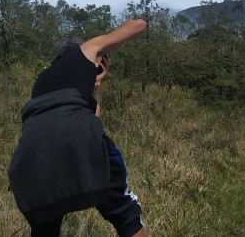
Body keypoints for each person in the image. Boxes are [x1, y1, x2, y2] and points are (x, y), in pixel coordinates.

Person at [8, 19, 148, 237]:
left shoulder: (41, 81)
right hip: (80, 140)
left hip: (31, 159)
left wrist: (97, 85)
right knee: (124, 212)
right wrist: (102, 48)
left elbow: (89, 119)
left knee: (45, 224)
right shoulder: (87, 49)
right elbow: (138, 25)